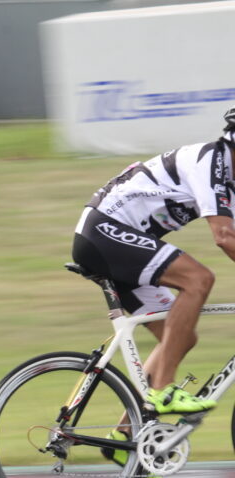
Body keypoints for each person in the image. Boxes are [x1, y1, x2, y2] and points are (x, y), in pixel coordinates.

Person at [72, 107, 235, 416]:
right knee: (198, 279)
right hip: (103, 233)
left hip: (119, 242)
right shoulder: (211, 161)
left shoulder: (228, 181)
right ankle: (163, 390)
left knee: (180, 337)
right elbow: (225, 237)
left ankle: (127, 433)